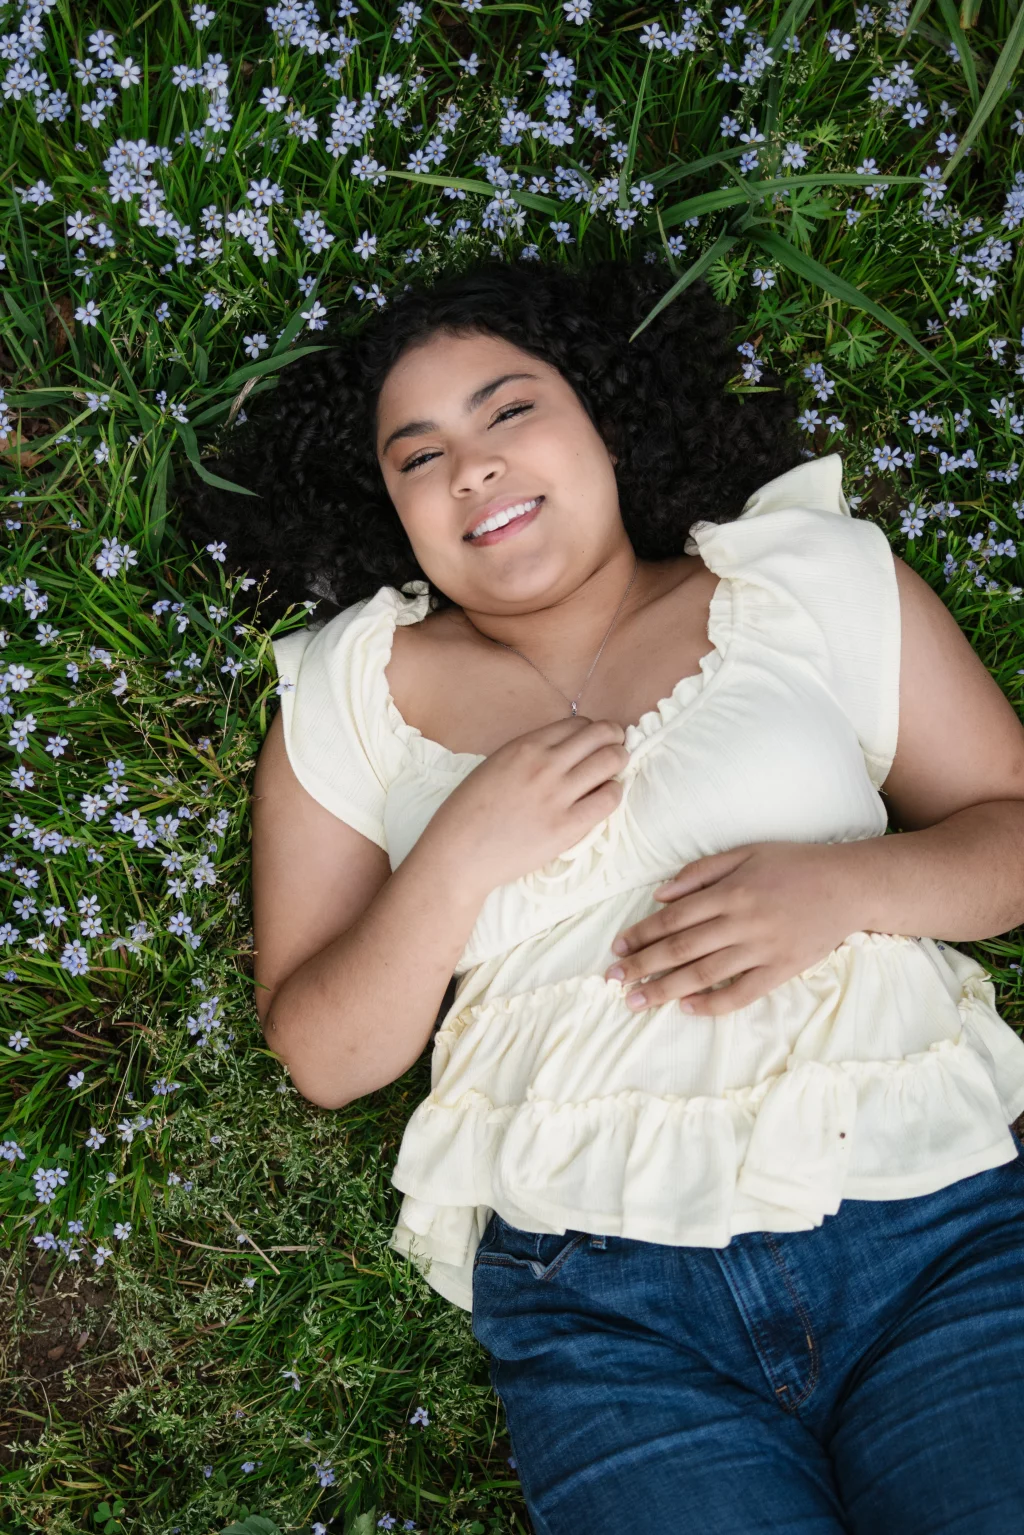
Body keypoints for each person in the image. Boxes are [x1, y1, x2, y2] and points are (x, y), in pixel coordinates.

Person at [176, 256, 1024, 1532]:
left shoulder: (799, 583)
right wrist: (460, 849)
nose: (470, 464)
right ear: (391, 508)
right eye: (418, 454)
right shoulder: (349, 693)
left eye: (510, 409)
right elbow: (325, 1053)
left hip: (932, 1216)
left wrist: (847, 884)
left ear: (602, 425)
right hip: (601, 1297)